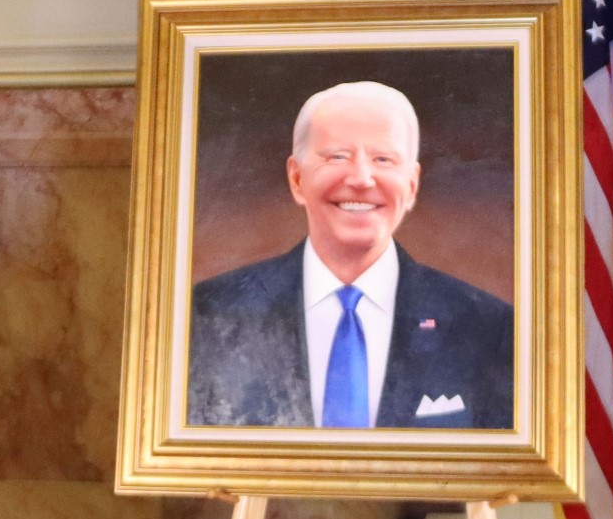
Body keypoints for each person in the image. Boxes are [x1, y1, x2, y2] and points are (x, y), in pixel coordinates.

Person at [187, 80, 514, 430]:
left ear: (412, 184)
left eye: (383, 159)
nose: (361, 178)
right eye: (337, 156)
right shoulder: (207, 314)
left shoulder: (487, 328)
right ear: (297, 179)